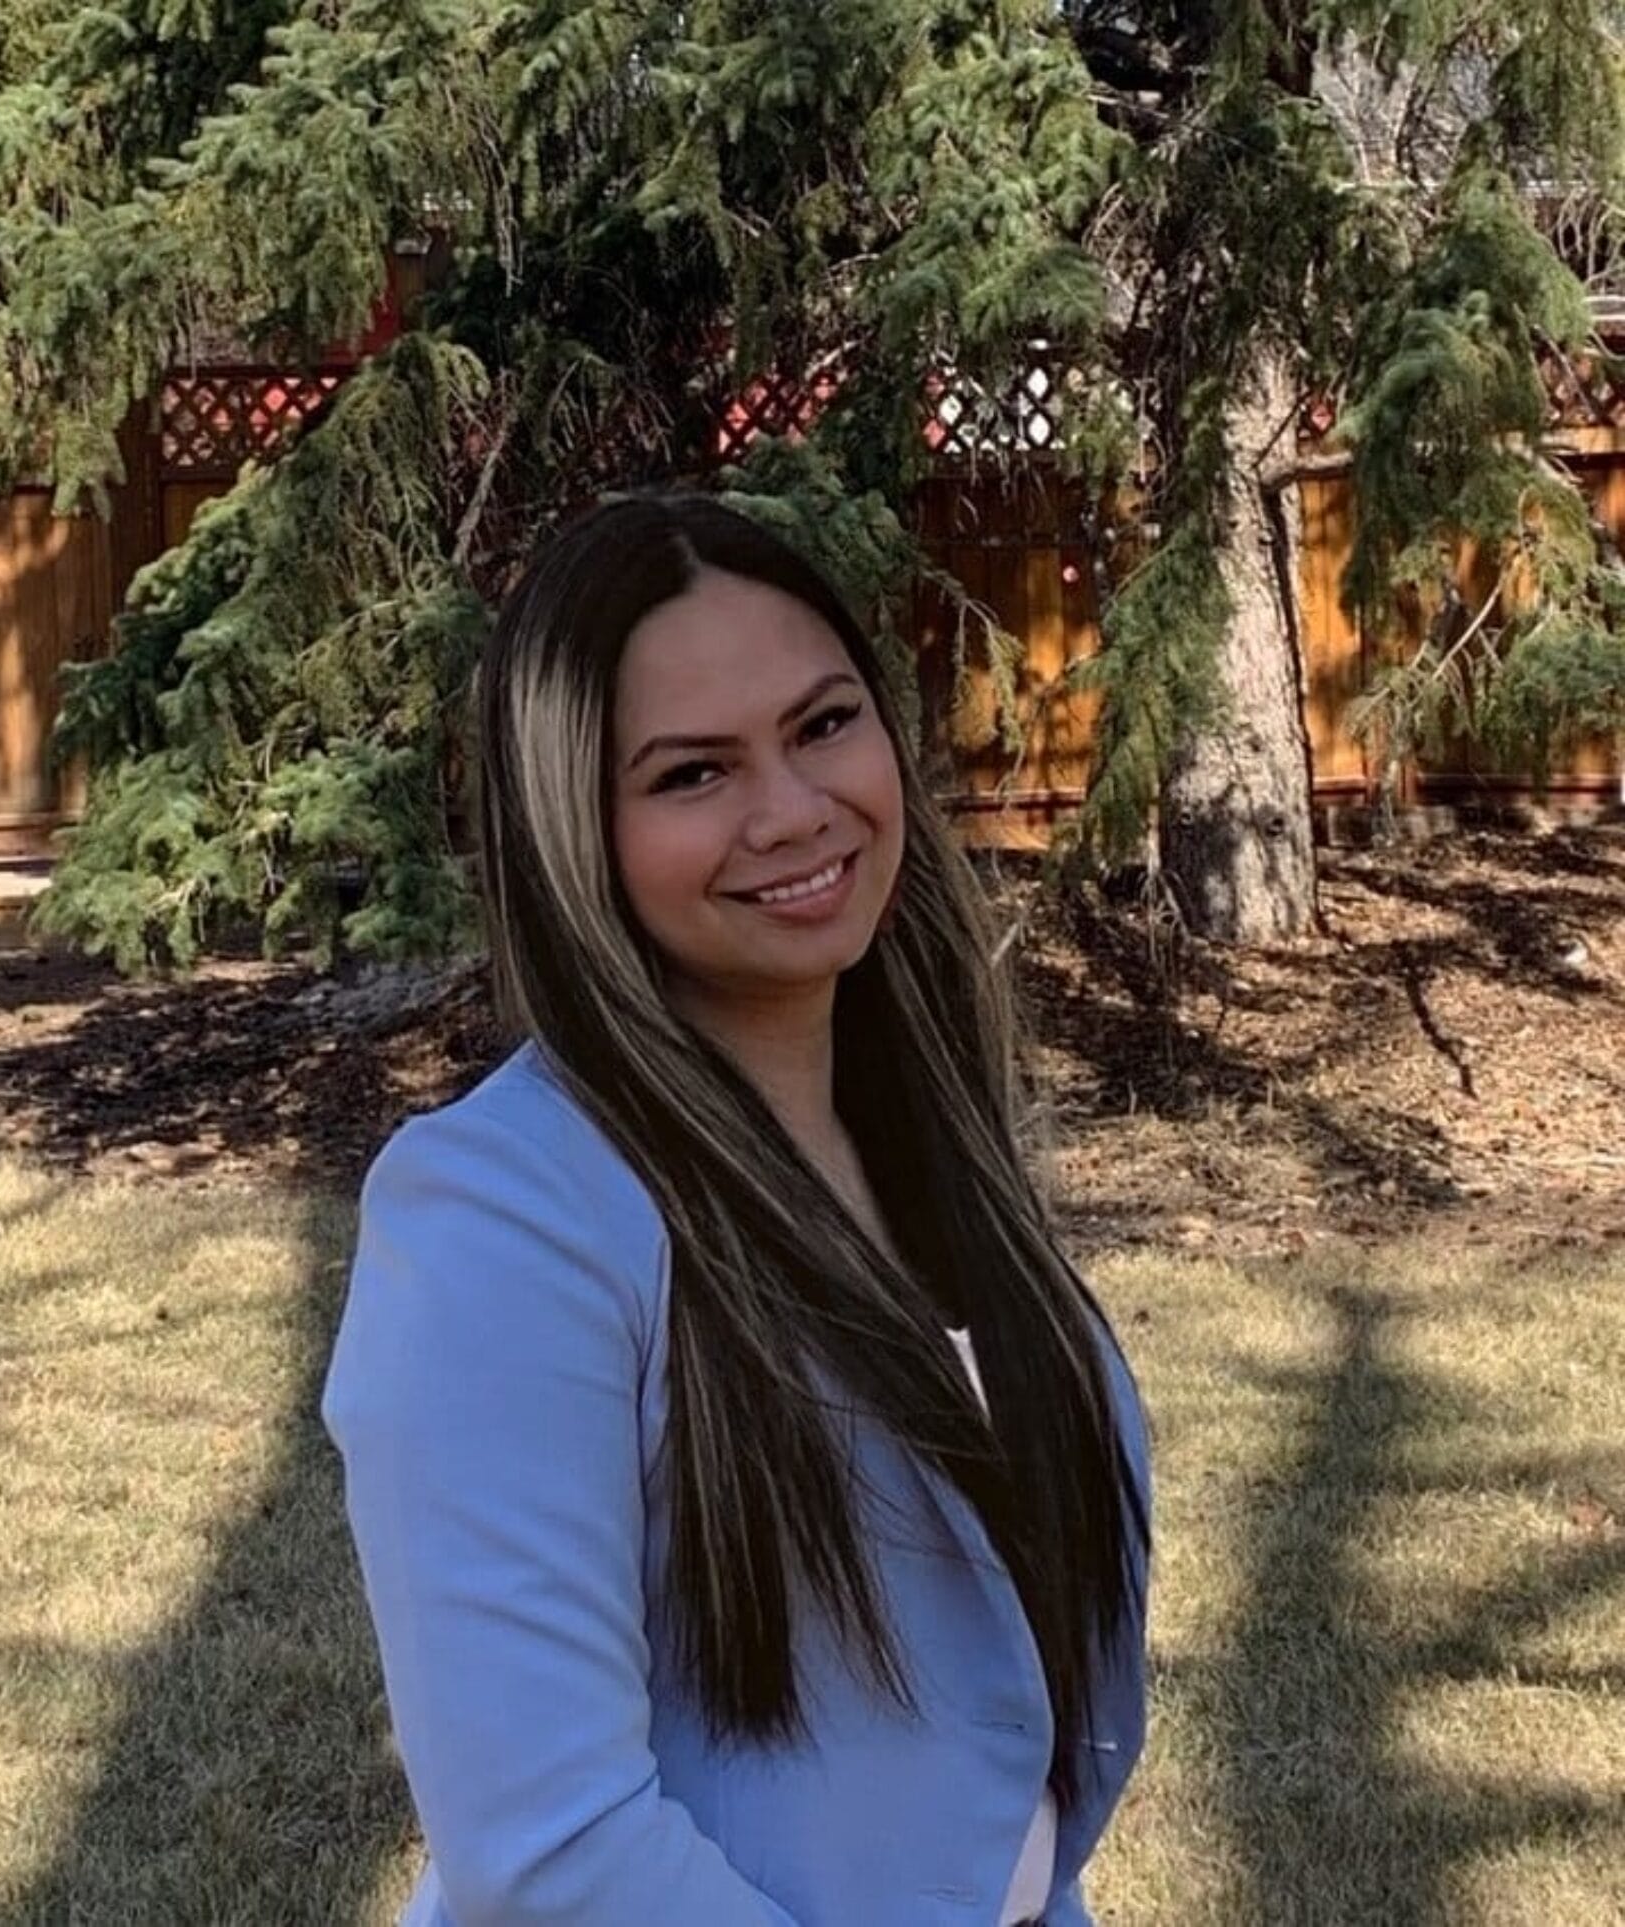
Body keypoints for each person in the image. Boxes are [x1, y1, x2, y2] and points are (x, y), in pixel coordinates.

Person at [321, 492, 1152, 1926]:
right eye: (694, 774)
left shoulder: (931, 1142)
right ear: (577, 831)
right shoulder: (500, 1221)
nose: (791, 811)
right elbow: (556, 1852)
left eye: (824, 725)